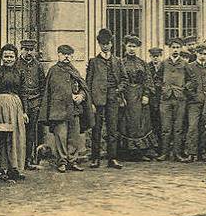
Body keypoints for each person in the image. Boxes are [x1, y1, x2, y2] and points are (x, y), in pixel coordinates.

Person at [39, 44, 92, 173]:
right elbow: (48, 91)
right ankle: (62, 161)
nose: (66, 56)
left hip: (74, 110)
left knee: (74, 137)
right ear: (58, 55)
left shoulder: (74, 70)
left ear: (72, 56)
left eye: (69, 54)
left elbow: (83, 88)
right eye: (63, 54)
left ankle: (72, 161)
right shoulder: (53, 71)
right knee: (61, 137)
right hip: (59, 110)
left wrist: (81, 96)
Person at [0, 43, 27, 181]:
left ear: (15, 58)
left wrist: (24, 112)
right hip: (0, 106)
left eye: (11, 56)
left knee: (16, 137)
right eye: (6, 56)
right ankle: (1, 168)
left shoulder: (20, 73)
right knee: (1, 137)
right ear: (1, 57)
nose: (8, 59)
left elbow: (23, 93)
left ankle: (14, 168)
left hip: (16, 107)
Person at [86, 28, 126, 169]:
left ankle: (112, 159)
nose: (105, 46)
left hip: (113, 98)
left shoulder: (118, 61)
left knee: (112, 129)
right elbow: (88, 83)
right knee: (96, 128)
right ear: (99, 44)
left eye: (108, 43)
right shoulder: (93, 62)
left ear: (111, 44)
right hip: (97, 99)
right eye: (103, 43)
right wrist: (90, 102)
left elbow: (124, 80)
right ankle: (95, 158)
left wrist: (117, 90)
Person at [118, 36, 158, 160]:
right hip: (126, 96)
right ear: (125, 46)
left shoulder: (142, 63)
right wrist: (120, 97)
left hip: (140, 96)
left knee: (142, 123)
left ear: (138, 48)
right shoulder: (120, 63)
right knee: (127, 123)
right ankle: (127, 152)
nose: (131, 49)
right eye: (129, 46)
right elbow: (117, 80)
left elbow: (148, 80)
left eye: (134, 46)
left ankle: (141, 151)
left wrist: (146, 94)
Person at [158, 38, 196, 162]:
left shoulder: (185, 64)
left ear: (181, 49)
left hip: (180, 99)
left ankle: (177, 153)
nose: (175, 50)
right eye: (173, 47)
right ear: (169, 48)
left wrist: (184, 88)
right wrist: (163, 88)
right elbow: (156, 79)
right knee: (165, 127)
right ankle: (164, 153)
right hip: (166, 99)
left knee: (179, 128)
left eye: (177, 47)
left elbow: (192, 80)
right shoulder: (164, 64)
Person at [17, 39, 44, 170]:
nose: (28, 52)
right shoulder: (16, 64)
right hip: (20, 103)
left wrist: (40, 102)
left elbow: (42, 84)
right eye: (26, 49)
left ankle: (28, 159)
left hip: (35, 102)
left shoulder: (38, 65)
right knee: (18, 132)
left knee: (31, 133)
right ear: (21, 49)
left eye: (31, 50)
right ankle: (18, 160)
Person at [185, 44, 206, 161]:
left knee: (204, 127)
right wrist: (193, 96)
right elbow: (186, 84)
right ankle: (191, 153)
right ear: (196, 54)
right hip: (194, 102)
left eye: (205, 54)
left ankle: (202, 153)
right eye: (200, 53)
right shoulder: (190, 67)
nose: (203, 56)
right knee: (193, 126)